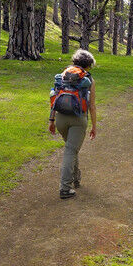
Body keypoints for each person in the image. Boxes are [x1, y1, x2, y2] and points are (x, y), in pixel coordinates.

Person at [48, 49, 97, 199]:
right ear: (88, 65)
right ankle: (65, 188)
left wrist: (52, 120)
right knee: (70, 151)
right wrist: (94, 126)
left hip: (61, 118)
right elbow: (92, 106)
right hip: (78, 120)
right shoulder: (88, 79)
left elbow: (53, 97)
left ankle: (76, 178)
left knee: (71, 149)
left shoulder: (63, 75)